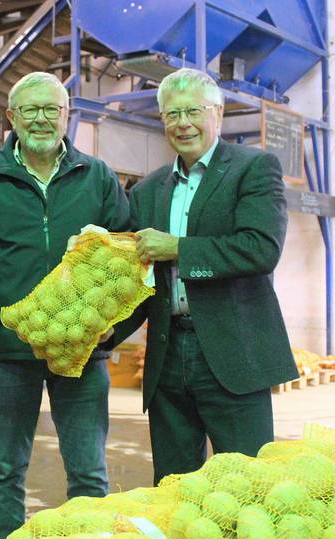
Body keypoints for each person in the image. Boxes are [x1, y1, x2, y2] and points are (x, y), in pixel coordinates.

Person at [0, 71, 130, 539]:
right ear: (11, 117)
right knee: (5, 467)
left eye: (53, 109)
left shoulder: (98, 176)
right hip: (9, 346)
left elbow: (127, 257)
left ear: (68, 115)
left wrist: (112, 328)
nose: (42, 119)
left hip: (82, 348)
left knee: (88, 470)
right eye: (30, 109)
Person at [123, 67, 298, 485]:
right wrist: (91, 336)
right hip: (167, 356)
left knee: (246, 487)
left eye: (193, 111)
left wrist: (179, 249)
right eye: (171, 114)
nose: (182, 124)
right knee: (174, 488)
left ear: (217, 113)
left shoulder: (253, 168)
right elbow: (140, 280)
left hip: (232, 354)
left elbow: (260, 249)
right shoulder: (147, 191)